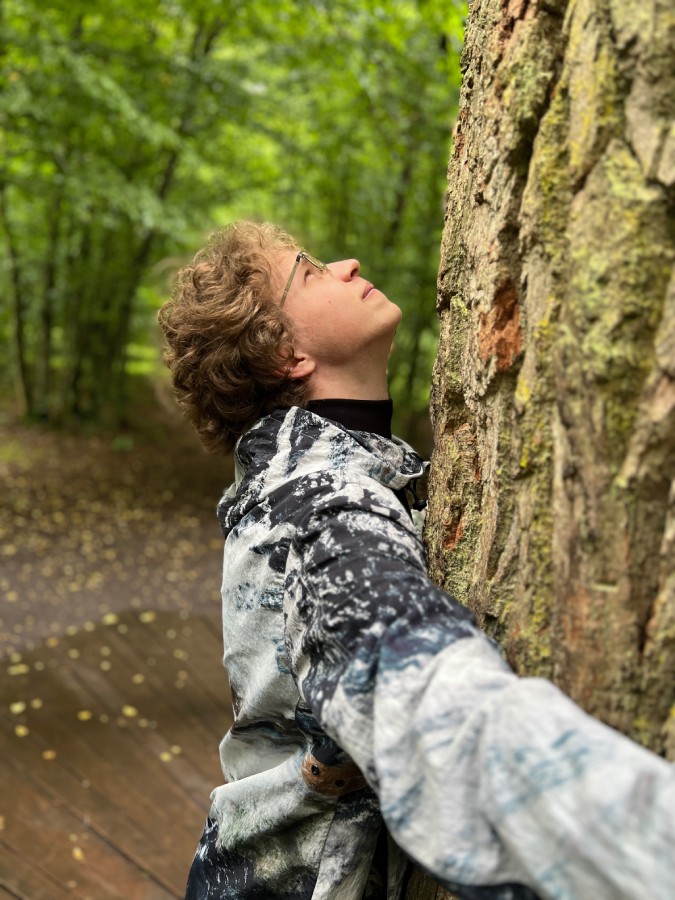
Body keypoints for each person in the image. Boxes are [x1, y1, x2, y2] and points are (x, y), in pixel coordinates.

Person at [158, 221, 674, 900]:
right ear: (286, 353)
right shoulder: (315, 505)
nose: (347, 264)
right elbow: (429, 707)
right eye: (310, 271)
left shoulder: (346, 475)